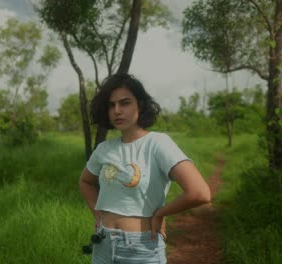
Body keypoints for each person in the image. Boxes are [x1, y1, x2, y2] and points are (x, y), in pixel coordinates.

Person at [79, 73, 211, 263]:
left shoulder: (157, 144)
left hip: (141, 248)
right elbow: (85, 182)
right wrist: (98, 215)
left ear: (139, 105)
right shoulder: (104, 149)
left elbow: (199, 193)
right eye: (111, 105)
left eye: (125, 103)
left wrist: (161, 213)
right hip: (102, 245)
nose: (117, 110)